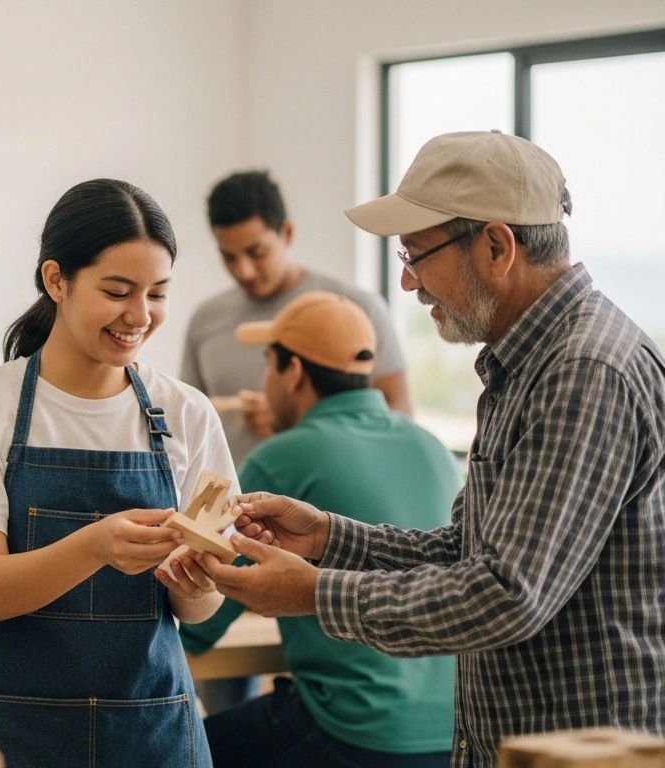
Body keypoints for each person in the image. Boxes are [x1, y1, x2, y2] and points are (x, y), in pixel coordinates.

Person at [200, 131, 665, 767]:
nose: (407, 280)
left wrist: (315, 592)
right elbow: (468, 551)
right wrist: (328, 538)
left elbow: (508, 593)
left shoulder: (583, 373)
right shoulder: (524, 368)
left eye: (417, 255)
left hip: (576, 749)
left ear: (497, 246)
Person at [0, 178, 233, 768]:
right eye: (117, 291)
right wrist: (96, 545)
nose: (140, 315)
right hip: (10, 735)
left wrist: (197, 587)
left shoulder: (187, 413)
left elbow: (199, 609)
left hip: (151, 728)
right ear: (56, 280)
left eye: (158, 294)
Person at [181, 291, 459, 768]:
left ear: (292, 371)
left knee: (173, 750)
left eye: (268, 365)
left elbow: (202, 618)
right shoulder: (432, 446)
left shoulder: (281, 458)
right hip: (454, 735)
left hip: (354, 732)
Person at [182, 170, 411, 466]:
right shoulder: (205, 319)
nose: (244, 271)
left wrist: (292, 420)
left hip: (327, 488)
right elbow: (185, 418)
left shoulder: (355, 308)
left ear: (287, 233)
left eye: (256, 252)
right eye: (229, 257)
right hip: (228, 492)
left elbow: (399, 418)